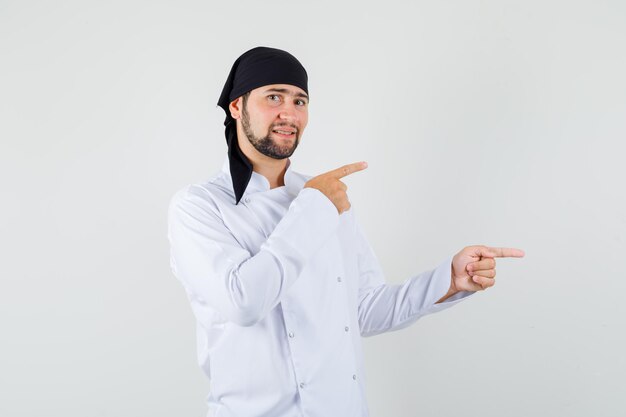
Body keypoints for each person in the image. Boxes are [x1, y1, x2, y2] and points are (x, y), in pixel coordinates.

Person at [167, 46, 525, 417]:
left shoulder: (324, 197)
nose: (289, 113)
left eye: (300, 101)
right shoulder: (199, 206)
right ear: (237, 106)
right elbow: (243, 302)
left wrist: (447, 281)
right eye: (273, 97)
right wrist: (314, 207)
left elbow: (362, 310)